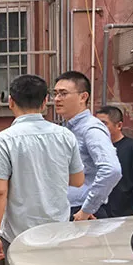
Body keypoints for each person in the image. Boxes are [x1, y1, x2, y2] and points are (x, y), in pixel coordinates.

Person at [0, 74, 85, 262]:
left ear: (11, 101)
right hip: (58, 231)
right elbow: (78, 181)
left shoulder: (3, 140)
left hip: (19, 235)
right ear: (45, 101)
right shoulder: (65, 136)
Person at [52, 71, 122, 221]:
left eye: (63, 94)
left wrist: (87, 209)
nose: (57, 99)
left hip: (82, 212)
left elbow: (112, 170)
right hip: (68, 208)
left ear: (83, 97)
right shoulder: (68, 128)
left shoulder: (91, 128)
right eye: (55, 93)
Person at [96, 106, 133, 217]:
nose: (99, 128)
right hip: (96, 215)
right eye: (96, 124)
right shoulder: (94, 149)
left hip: (124, 216)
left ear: (119, 125)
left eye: (104, 124)